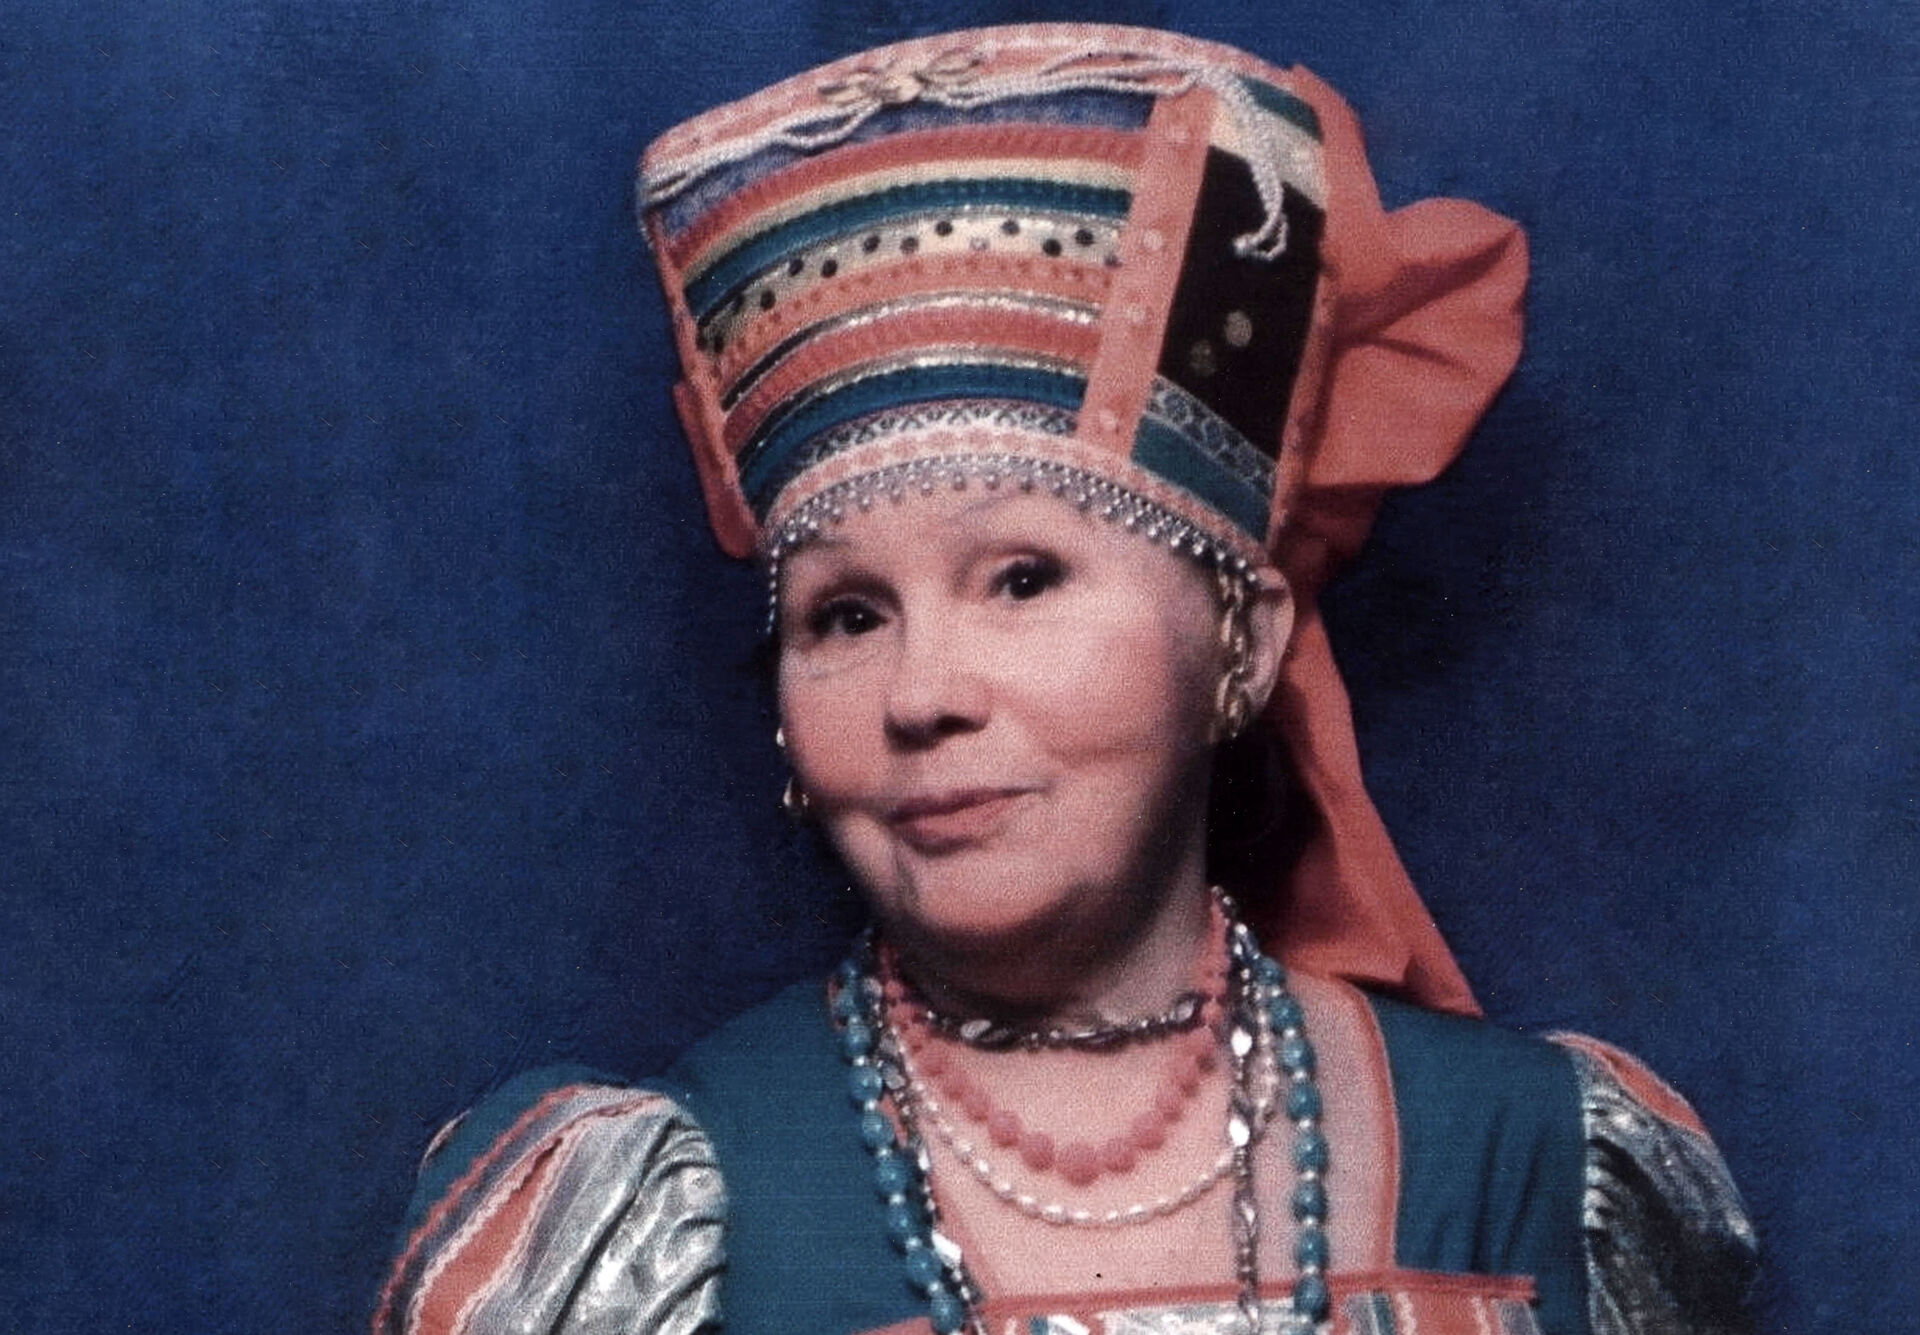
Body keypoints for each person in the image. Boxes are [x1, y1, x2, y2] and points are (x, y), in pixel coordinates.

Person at [372, 24, 1757, 1335]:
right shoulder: (658, 1215)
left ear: (1244, 642)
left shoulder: (1528, 1159)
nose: (922, 693)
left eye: (1024, 580)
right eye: (846, 615)